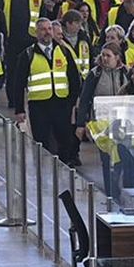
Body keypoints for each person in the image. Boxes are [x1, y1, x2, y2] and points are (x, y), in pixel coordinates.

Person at [10, 18, 82, 164]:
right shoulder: (28, 55)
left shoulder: (63, 51)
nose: (47, 32)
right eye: (43, 29)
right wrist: (19, 109)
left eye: (49, 29)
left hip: (62, 104)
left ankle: (64, 168)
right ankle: (43, 170)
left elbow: (74, 79)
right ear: (36, 32)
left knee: (64, 139)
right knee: (41, 141)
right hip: (39, 105)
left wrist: (72, 101)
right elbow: (18, 84)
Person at [76, 43, 130, 196]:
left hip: (122, 124)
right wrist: (81, 124)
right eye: (103, 55)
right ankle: (110, 192)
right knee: (107, 161)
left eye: (108, 56)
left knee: (122, 157)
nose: (104, 59)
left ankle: (123, 190)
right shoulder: (95, 74)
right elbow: (85, 99)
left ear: (117, 57)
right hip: (102, 126)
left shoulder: (126, 72)